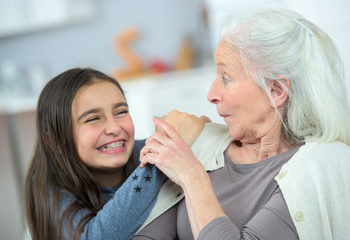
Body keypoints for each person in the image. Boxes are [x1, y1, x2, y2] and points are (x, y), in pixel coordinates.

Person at [134, 7, 350, 240]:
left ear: (275, 91)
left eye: (226, 78)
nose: (211, 94)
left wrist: (191, 176)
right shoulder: (202, 143)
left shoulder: (322, 166)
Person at [23, 67, 209, 240]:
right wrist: (161, 154)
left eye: (120, 112)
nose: (114, 128)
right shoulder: (48, 185)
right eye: (93, 118)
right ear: (56, 142)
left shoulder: (145, 150)